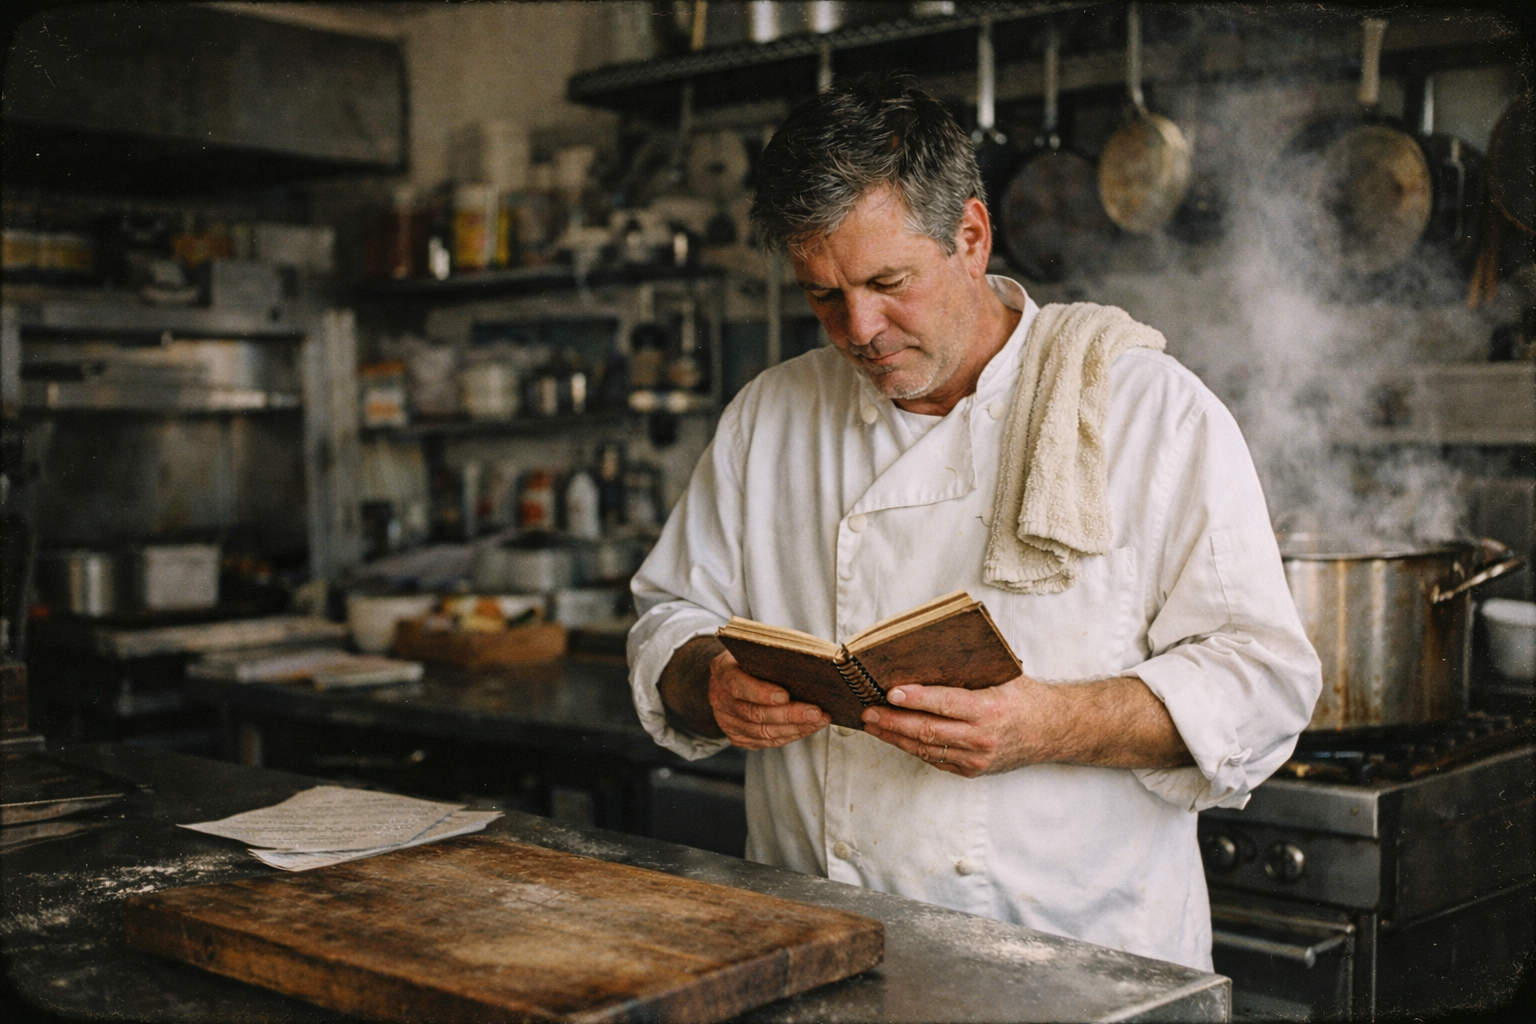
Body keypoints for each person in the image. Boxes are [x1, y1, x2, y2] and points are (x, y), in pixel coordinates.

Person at [626, 78, 1320, 971]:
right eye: (823, 295)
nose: (860, 328)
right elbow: (669, 618)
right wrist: (708, 680)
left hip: (1071, 968)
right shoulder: (771, 416)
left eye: (888, 282)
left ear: (971, 236)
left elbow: (1261, 681)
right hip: (824, 950)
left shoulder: (1148, 413)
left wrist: (1051, 724)